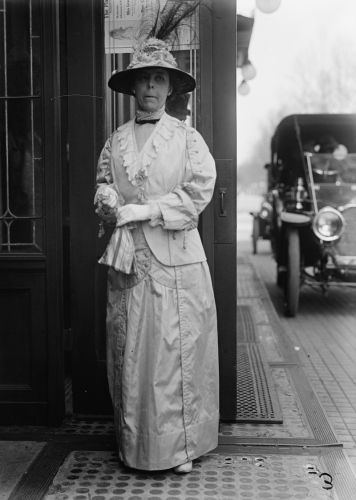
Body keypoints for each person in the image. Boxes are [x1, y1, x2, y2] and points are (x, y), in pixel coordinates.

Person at [94, 18, 219, 473]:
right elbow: (105, 184)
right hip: (129, 260)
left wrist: (146, 210)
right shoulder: (117, 140)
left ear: (169, 89)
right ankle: (136, 445)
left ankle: (180, 448)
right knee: (132, 353)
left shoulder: (187, 139)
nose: (150, 86)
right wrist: (107, 199)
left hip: (176, 263)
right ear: (132, 88)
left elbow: (198, 192)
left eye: (158, 79)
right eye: (143, 78)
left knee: (172, 353)